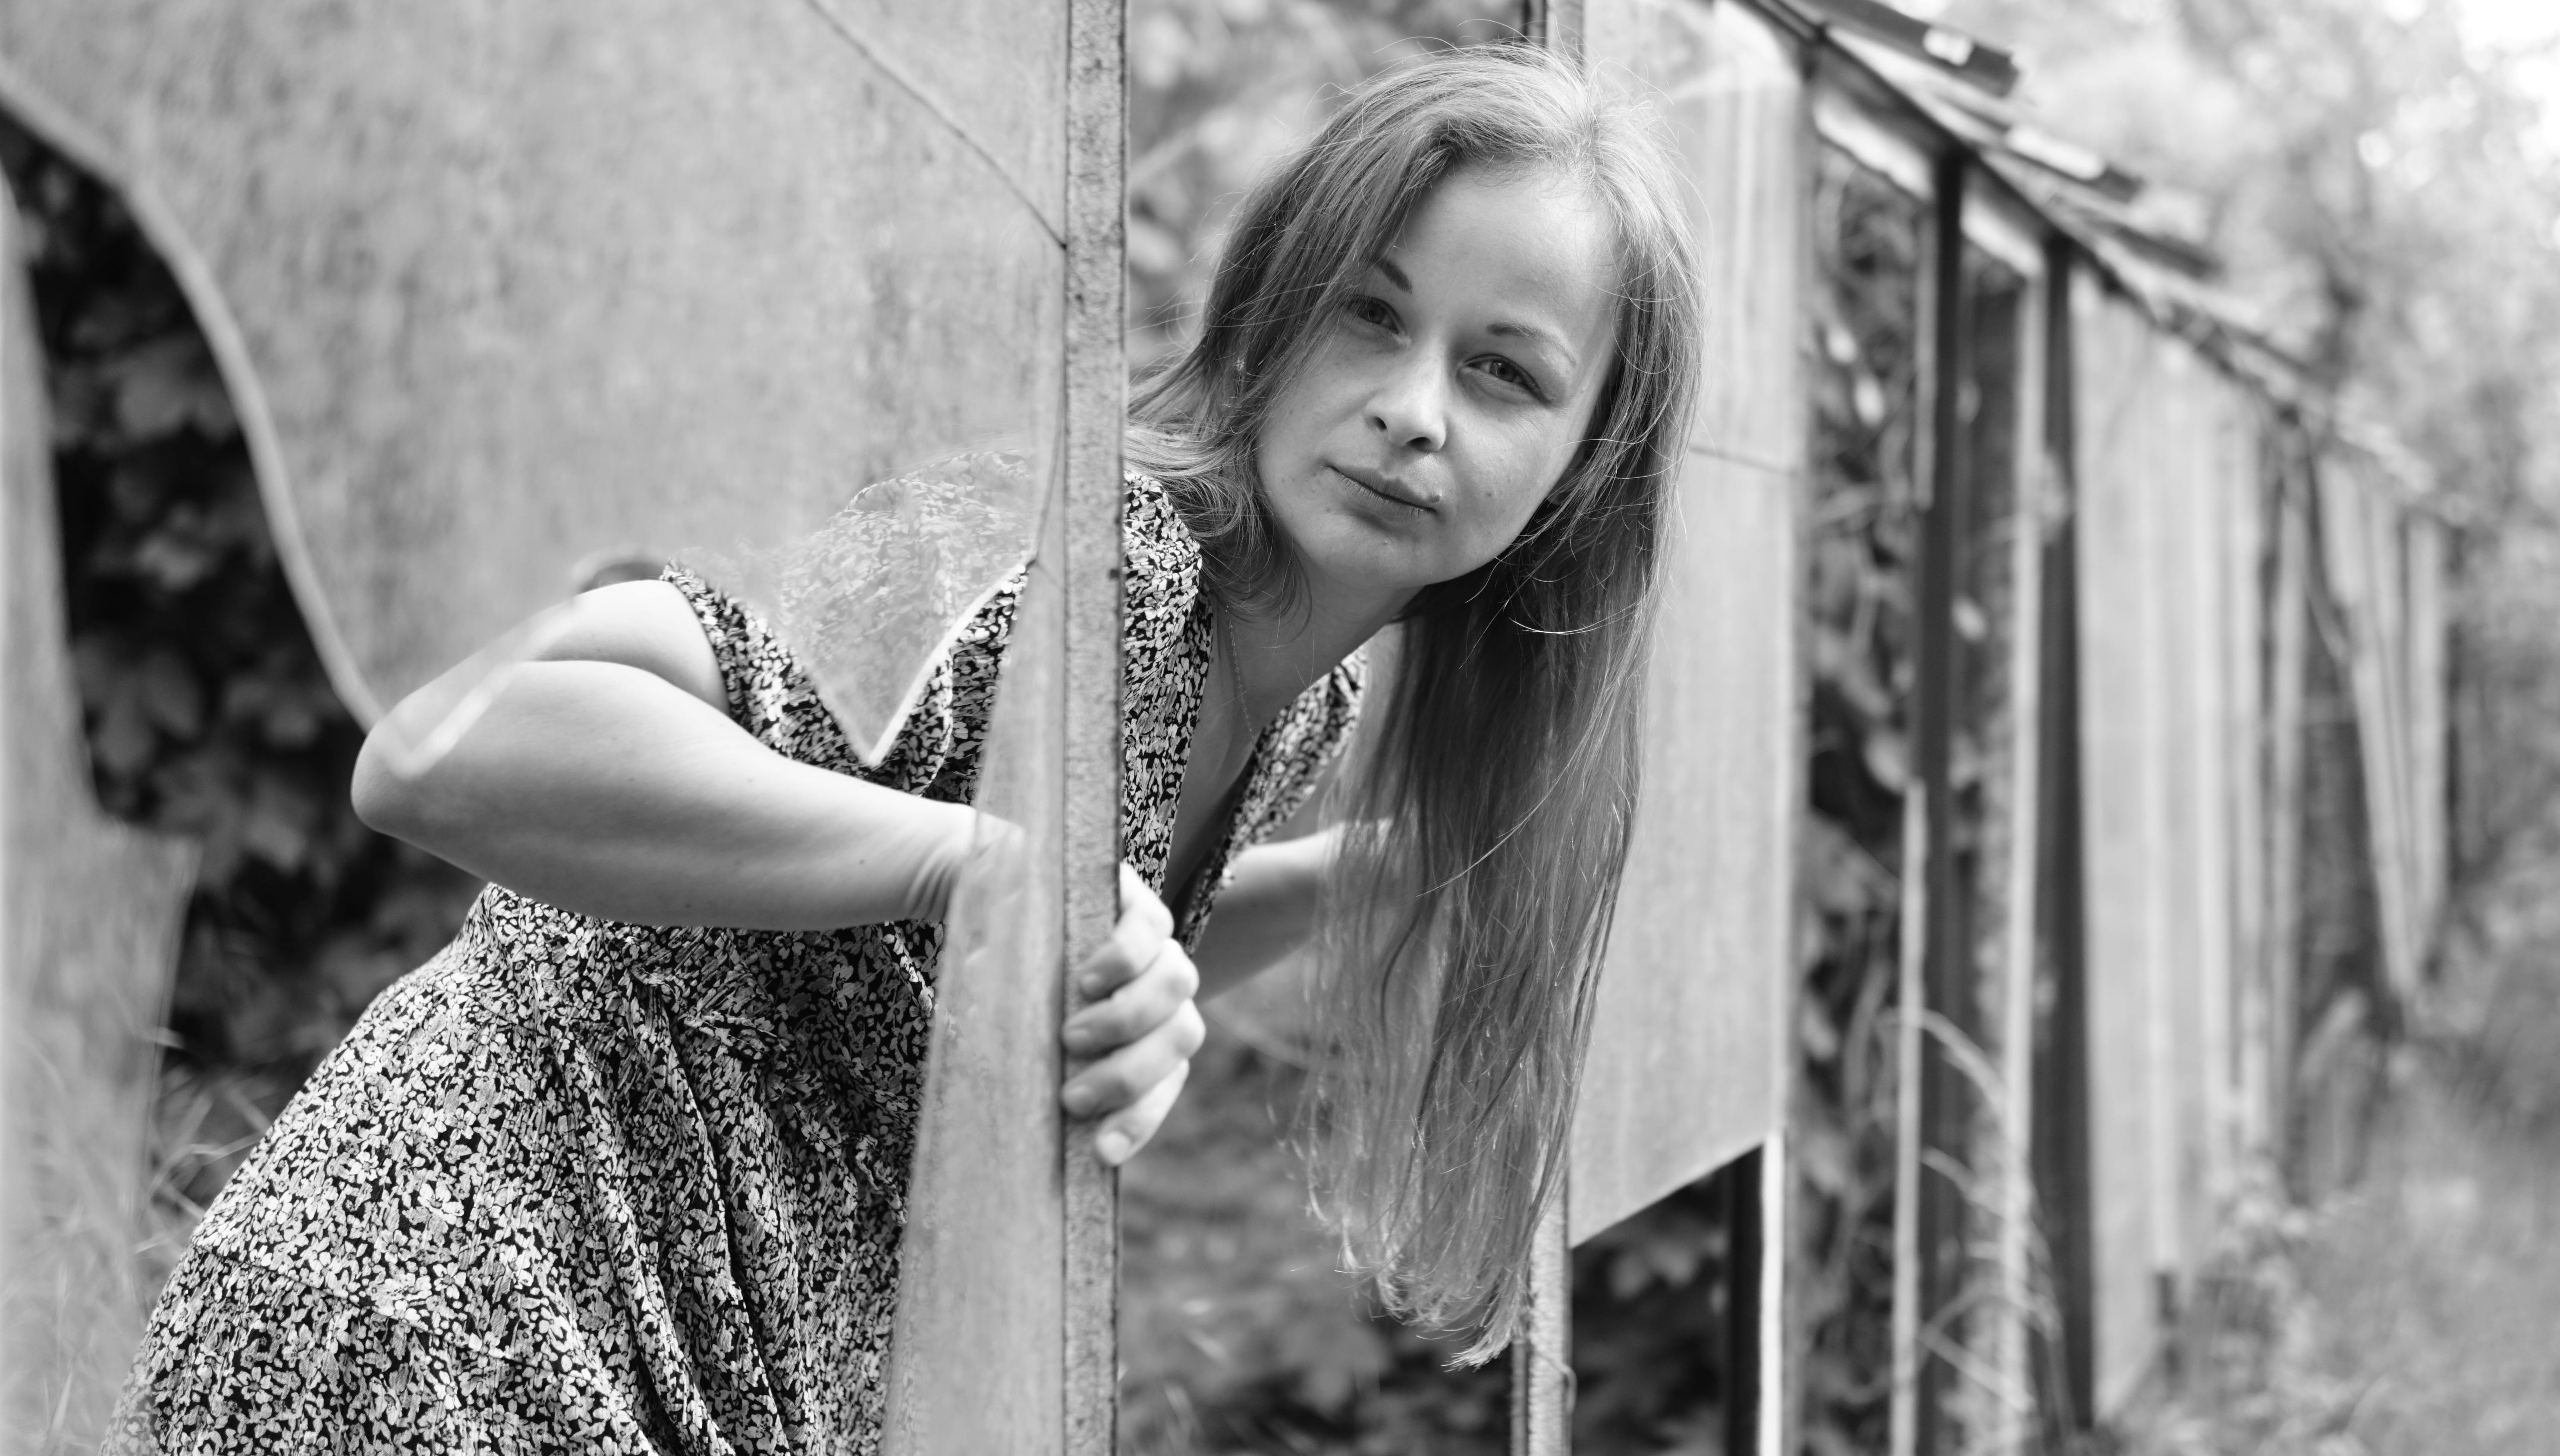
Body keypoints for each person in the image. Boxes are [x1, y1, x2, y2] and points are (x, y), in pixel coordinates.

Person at [110, 41, 1699, 1453]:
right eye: (1371, 312)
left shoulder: (1302, 697)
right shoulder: (1078, 568)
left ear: (1585, 469)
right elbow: (444, 749)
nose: (1414, 408)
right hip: (438, 1319)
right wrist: (982, 863)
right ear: (1274, 316)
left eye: (1504, 371)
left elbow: (1029, 955)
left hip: (651, 1362)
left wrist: (1349, 878)